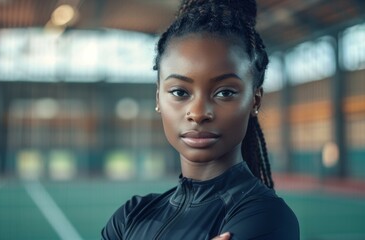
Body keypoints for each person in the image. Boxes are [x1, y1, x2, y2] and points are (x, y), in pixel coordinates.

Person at [101, 0, 300, 239]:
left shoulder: (268, 218)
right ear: (158, 98)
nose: (197, 113)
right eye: (180, 92)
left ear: (254, 101)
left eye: (224, 92)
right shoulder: (130, 215)